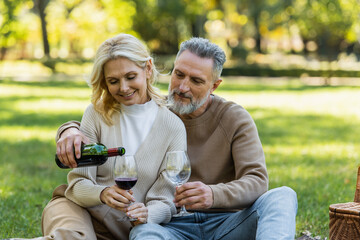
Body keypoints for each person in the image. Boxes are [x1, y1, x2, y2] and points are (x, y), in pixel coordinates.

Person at [54, 38, 298, 240]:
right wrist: (68, 130)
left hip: (226, 223)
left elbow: (257, 181)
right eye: (179, 74)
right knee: (143, 233)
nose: (182, 87)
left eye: (196, 81)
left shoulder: (234, 119)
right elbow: (111, 114)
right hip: (171, 227)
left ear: (214, 85)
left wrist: (213, 195)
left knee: (283, 195)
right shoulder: (154, 107)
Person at [11, 33, 188, 240]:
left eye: (130, 77)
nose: (123, 88)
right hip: (76, 210)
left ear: (148, 68)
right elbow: (78, 185)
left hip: (122, 228)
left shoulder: (172, 126)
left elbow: (166, 198)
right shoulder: (97, 114)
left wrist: (148, 213)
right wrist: (102, 194)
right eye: (113, 81)